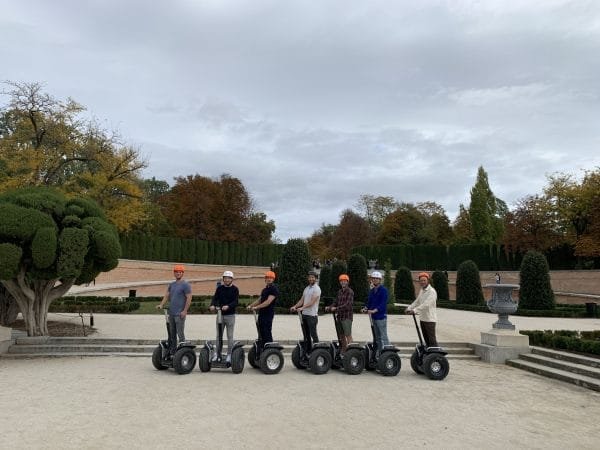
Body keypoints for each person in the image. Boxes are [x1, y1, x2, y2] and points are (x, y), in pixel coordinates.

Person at [156, 264, 192, 356]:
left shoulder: (185, 285)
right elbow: (167, 295)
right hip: (171, 313)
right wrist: (161, 304)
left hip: (180, 314)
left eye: (180, 272)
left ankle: (182, 353)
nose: (178, 273)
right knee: (172, 334)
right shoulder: (171, 285)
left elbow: (189, 298)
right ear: (174, 273)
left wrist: (185, 311)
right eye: (176, 272)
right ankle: (173, 352)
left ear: (182, 273)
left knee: (180, 334)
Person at [209, 270, 239, 363]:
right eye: (225, 278)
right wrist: (212, 305)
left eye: (228, 278)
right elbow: (215, 298)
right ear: (223, 279)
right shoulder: (220, 288)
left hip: (230, 315)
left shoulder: (235, 289)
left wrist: (228, 306)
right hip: (220, 315)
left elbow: (235, 302)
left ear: (232, 279)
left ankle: (229, 355)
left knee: (230, 336)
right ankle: (218, 354)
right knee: (219, 336)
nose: (226, 280)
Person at [247, 271, 279, 351]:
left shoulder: (274, 289)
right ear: (265, 279)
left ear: (273, 279)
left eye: (270, 278)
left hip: (268, 314)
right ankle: (262, 348)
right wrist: (251, 305)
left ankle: (270, 349)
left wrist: (257, 307)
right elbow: (260, 300)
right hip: (262, 314)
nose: (269, 279)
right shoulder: (265, 289)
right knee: (261, 331)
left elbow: (268, 302)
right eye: (267, 278)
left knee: (266, 331)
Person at [290, 270, 321, 351]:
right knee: (306, 335)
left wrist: (302, 308)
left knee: (313, 335)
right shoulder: (306, 288)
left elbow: (312, 302)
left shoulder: (317, 289)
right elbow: (302, 300)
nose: (311, 279)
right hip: (304, 315)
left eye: (313, 277)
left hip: (312, 316)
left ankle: (318, 351)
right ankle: (308, 351)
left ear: (316, 278)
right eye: (310, 277)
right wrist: (295, 306)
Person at [406, 272, 438, 347]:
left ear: (428, 281)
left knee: (432, 340)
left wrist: (414, 310)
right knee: (426, 340)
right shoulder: (422, 290)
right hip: (422, 319)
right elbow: (417, 301)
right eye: (421, 281)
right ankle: (428, 356)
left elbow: (426, 305)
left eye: (424, 280)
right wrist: (409, 307)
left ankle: (436, 356)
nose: (422, 282)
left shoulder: (432, 292)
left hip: (430, 319)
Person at [325, 274, 354, 353]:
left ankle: (352, 351)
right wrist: (329, 307)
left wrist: (336, 308)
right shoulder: (339, 292)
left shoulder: (350, 292)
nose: (343, 282)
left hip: (347, 317)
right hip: (340, 317)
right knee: (341, 335)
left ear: (347, 282)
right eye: (341, 281)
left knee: (348, 334)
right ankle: (344, 350)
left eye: (344, 281)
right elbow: (336, 302)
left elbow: (348, 305)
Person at [363, 271, 390, 352]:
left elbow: (383, 303)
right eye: (373, 278)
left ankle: (387, 352)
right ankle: (380, 352)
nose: (374, 280)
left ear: (380, 280)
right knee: (377, 337)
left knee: (383, 336)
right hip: (374, 317)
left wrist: (375, 310)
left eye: (376, 279)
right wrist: (365, 308)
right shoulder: (372, 291)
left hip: (381, 317)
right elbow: (369, 302)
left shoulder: (383, 290)